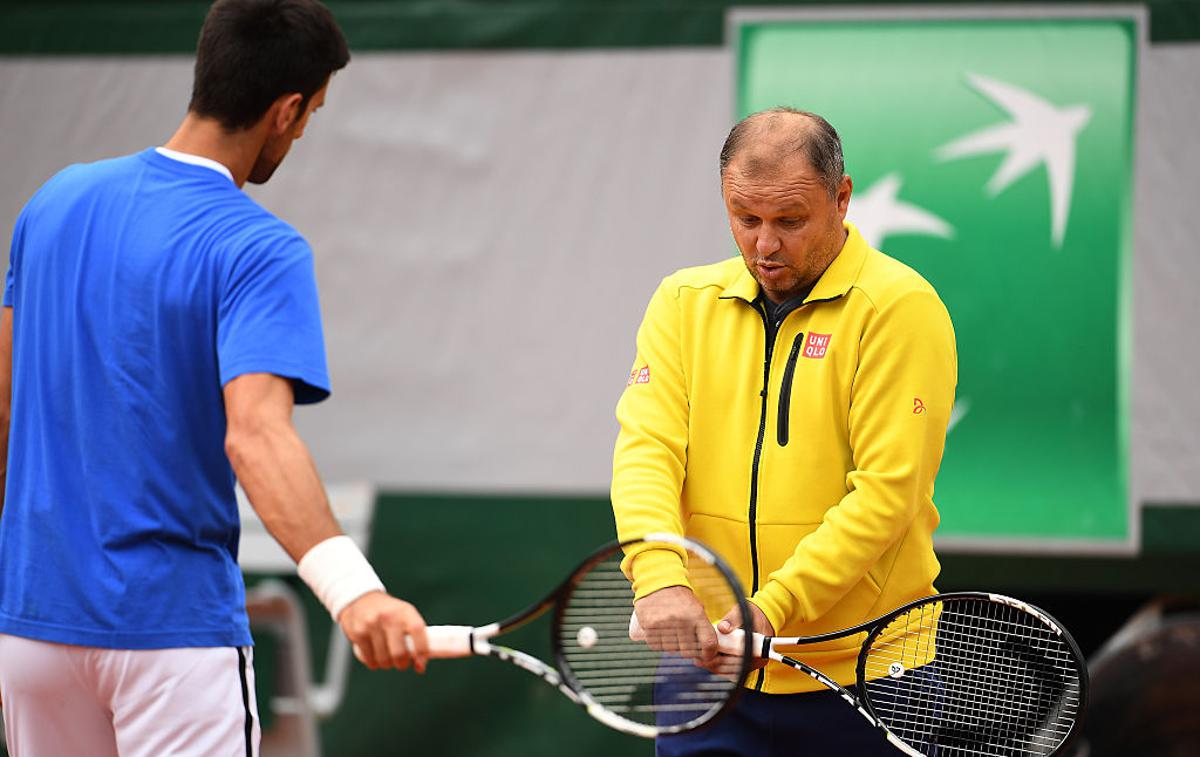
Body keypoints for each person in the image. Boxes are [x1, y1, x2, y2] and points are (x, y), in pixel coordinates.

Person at [0, 1, 429, 754]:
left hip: (31, 633)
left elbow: (4, 405)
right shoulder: (258, 246)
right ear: (286, 109)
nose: (299, 136)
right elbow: (257, 435)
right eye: (310, 116)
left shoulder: (52, 203)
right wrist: (353, 590)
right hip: (170, 640)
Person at [611, 107, 957, 755]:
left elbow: (887, 491)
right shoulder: (682, 302)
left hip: (869, 675)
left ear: (842, 198)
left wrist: (770, 608)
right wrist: (659, 577)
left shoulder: (901, 307)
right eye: (746, 218)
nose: (764, 245)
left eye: (789, 221)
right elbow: (646, 453)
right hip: (710, 668)